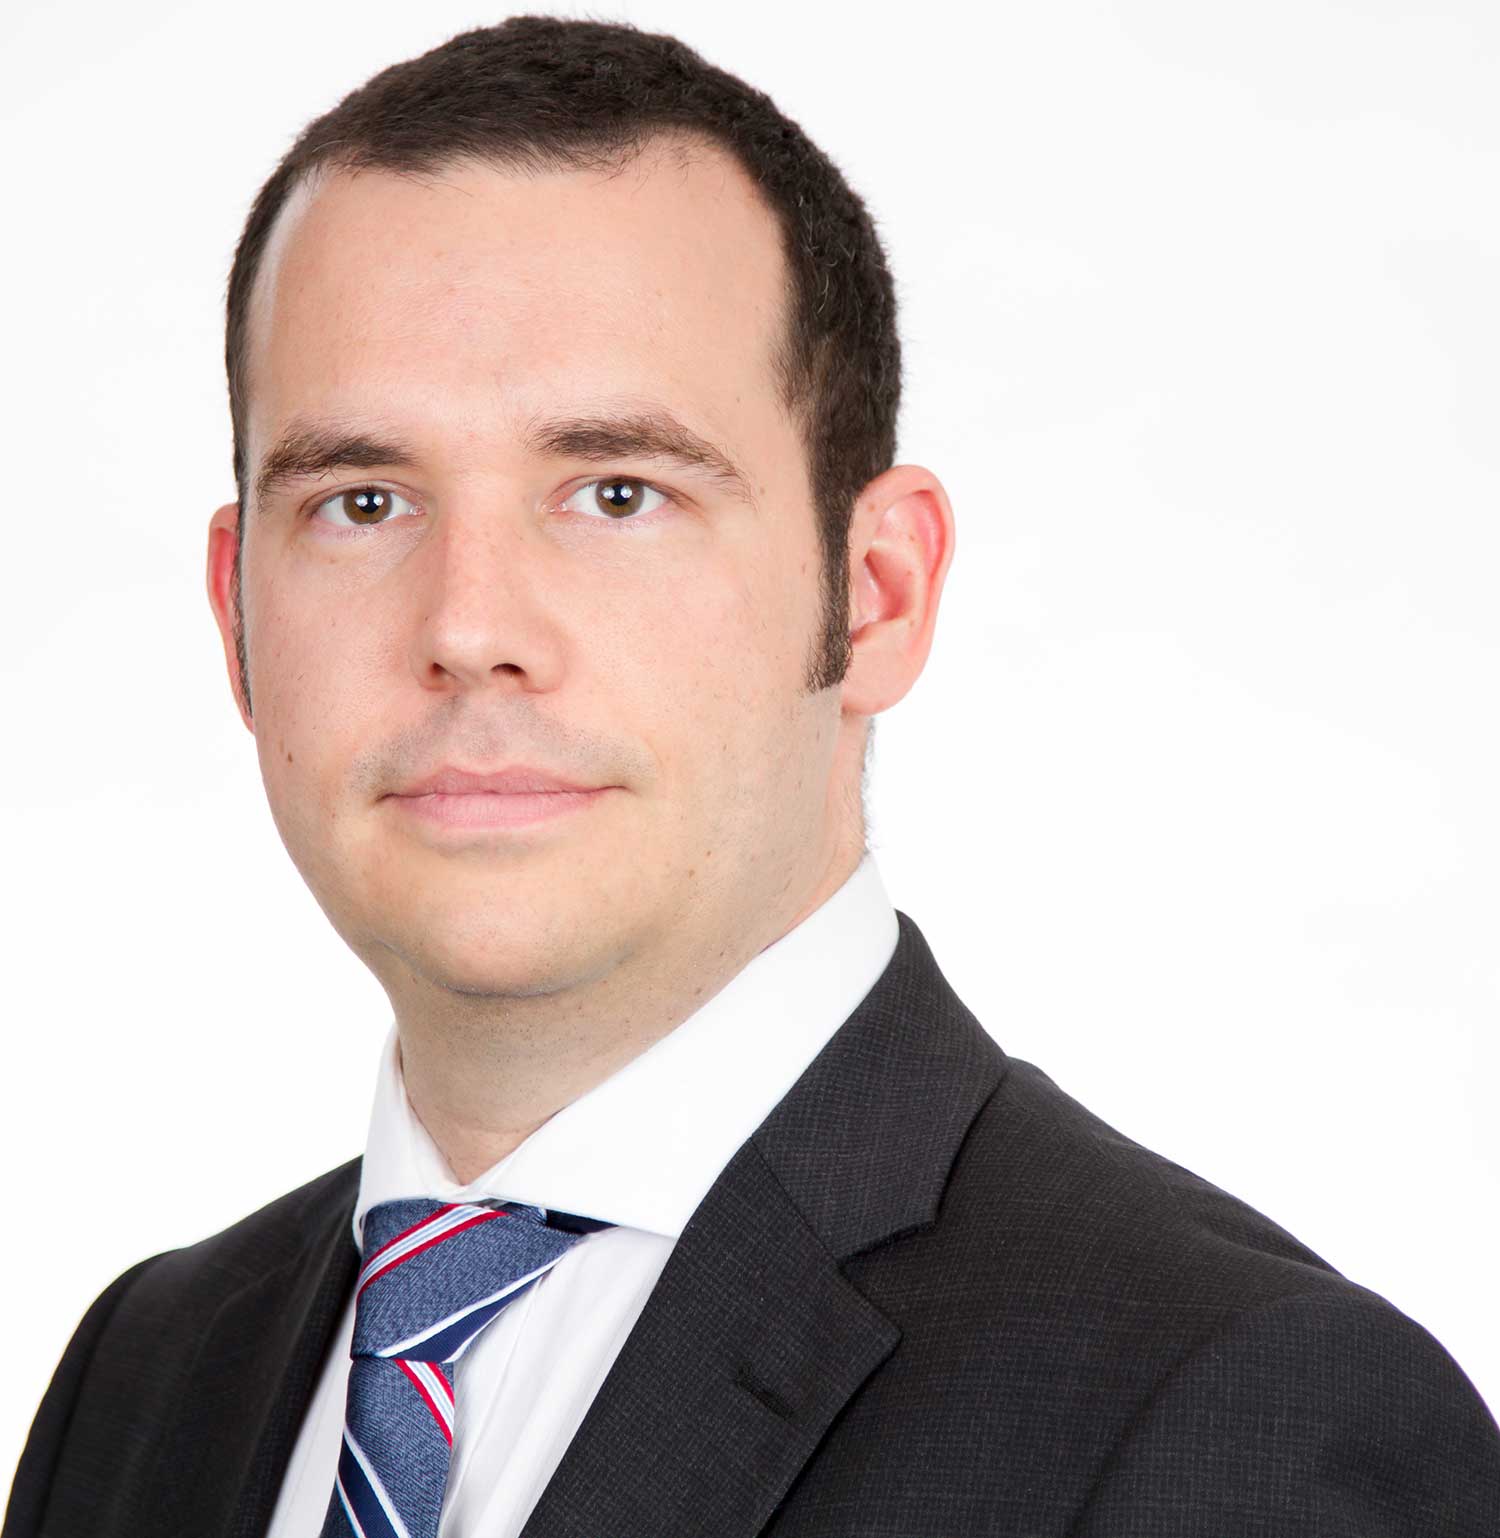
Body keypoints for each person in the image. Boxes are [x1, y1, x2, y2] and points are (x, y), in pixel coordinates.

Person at [7, 14, 1498, 1537]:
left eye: (615, 491)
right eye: (363, 498)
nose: (467, 628)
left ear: (876, 594)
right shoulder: (142, 1382)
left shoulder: (1237, 1416)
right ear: (235, 607)